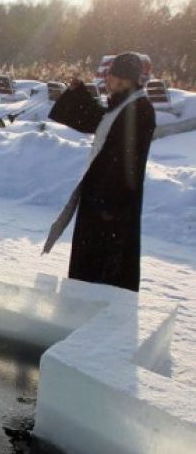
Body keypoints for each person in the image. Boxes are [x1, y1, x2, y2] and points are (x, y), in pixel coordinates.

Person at [44, 52, 156, 292]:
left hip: (113, 204)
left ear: (125, 80)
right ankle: (82, 302)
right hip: (99, 196)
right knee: (91, 261)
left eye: (111, 76)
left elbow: (126, 161)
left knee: (106, 267)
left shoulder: (140, 109)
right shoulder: (124, 103)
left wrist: (109, 202)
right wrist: (77, 95)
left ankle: (99, 314)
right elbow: (100, 123)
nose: (106, 81)